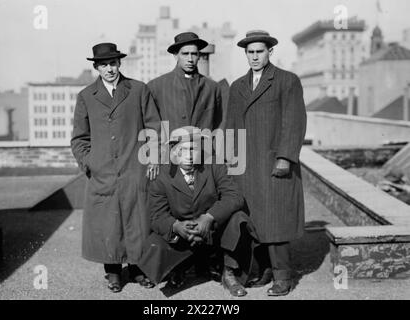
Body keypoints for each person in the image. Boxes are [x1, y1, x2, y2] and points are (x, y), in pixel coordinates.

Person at [71, 42, 161, 293]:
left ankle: (137, 269)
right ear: (96, 68)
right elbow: (79, 138)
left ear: (120, 63)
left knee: (136, 219)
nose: (109, 69)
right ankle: (112, 272)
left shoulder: (138, 90)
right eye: (103, 65)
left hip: (134, 167)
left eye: (113, 63)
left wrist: (153, 156)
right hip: (103, 172)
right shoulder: (86, 96)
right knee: (107, 223)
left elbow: (153, 127)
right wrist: (90, 164)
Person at [226, 30, 307, 296]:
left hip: (274, 164)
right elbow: (231, 127)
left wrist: (285, 157)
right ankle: (263, 270)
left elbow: (294, 122)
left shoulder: (286, 80)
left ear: (269, 52)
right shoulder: (238, 86)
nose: (255, 57)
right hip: (247, 166)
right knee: (253, 220)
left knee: (276, 221)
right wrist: (230, 161)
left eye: (259, 51)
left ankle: (284, 277)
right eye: (250, 52)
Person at [137, 126, 258, 297]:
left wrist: (209, 218)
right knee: (156, 239)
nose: (189, 155)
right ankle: (178, 268)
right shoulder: (161, 175)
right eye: (182, 150)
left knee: (239, 219)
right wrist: (177, 226)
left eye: (193, 149)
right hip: (182, 234)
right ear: (173, 151)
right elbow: (157, 215)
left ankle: (229, 272)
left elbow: (234, 196)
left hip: (212, 231)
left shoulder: (214, 165)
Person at [147, 32, 223, 138]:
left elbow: (219, 126)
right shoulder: (156, 86)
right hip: (170, 152)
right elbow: (150, 126)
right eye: (185, 54)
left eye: (194, 54)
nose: (190, 59)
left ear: (199, 56)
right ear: (175, 55)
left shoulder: (212, 88)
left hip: (204, 152)